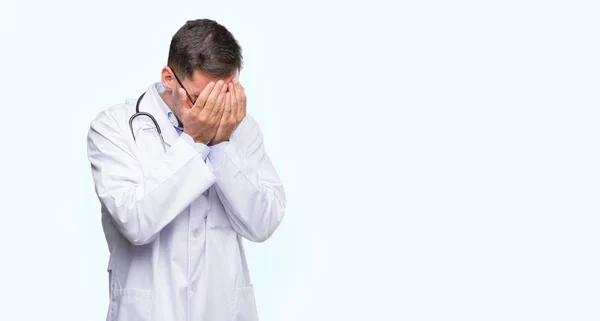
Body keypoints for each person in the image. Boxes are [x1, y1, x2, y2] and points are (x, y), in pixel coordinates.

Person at [86, 18, 286, 321]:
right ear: (169, 78)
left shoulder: (242, 129)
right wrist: (195, 141)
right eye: (201, 100)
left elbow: (263, 223)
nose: (215, 111)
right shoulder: (113, 128)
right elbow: (135, 222)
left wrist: (221, 147)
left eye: (224, 96)